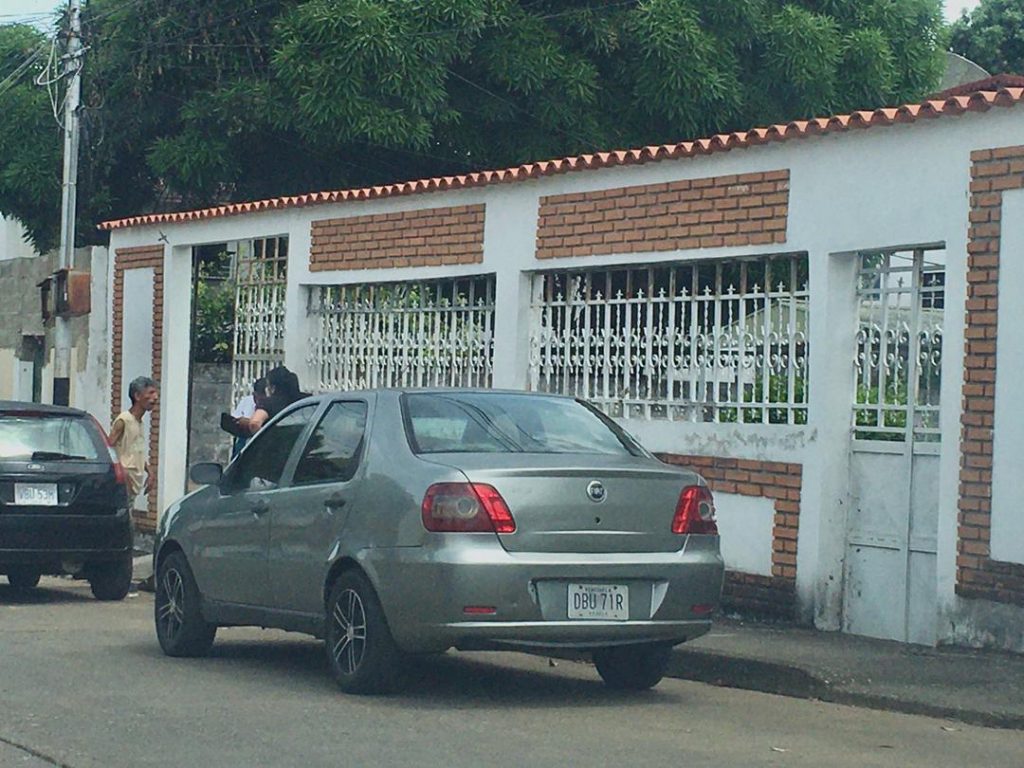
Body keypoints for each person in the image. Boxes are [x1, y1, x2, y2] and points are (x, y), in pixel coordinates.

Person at [109, 376, 159, 506]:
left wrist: (150, 472)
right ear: (137, 396)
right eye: (151, 393)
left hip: (135, 482)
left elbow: (137, 450)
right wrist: (121, 471)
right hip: (124, 481)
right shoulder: (123, 420)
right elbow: (108, 447)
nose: (155, 397)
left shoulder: (139, 422)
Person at [234, 365, 306, 436]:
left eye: (268, 386)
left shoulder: (268, 404)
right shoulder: (305, 400)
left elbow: (254, 424)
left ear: (273, 388)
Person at [229, 378, 266, 458]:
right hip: (243, 442)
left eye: (263, 399)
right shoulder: (246, 402)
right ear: (254, 394)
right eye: (257, 398)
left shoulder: (271, 407)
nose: (259, 402)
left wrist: (249, 423)